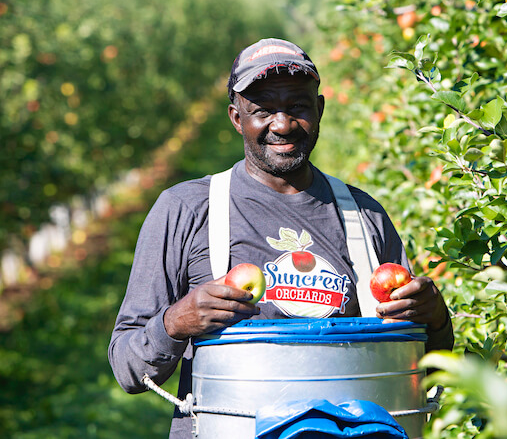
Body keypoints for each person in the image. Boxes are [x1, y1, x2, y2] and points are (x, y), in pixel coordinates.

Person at [108, 38, 453, 437]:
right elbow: (127, 368)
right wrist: (175, 322)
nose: (283, 124)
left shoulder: (365, 217)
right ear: (237, 118)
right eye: (263, 110)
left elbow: (417, 371)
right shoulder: (187, 210)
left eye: (298, 107)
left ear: (319, 110)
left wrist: (435, 319)